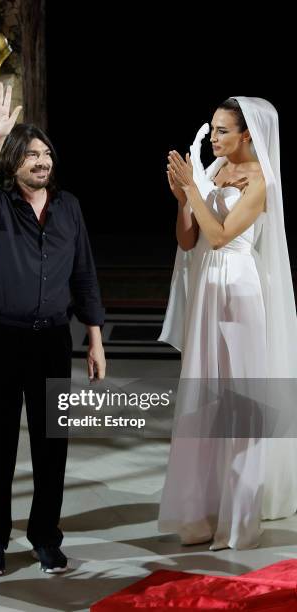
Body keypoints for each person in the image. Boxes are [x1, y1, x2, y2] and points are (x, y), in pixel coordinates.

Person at [0, 82, 106, 575]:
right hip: (2, 337)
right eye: (29, 154)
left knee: (52, 444)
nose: (41, 161)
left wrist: (93, 338)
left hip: (51, 339)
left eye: (45, 153)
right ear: (13, 163)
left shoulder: (69, 208)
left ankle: (46, 536)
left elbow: (84, 273)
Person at [158, 97, 297, 550]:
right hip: (207, 290)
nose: (214, 138)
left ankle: (238, 522)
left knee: (239, 402)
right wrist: (183, 199)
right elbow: (190, 238)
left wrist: (192, 190)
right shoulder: (215, 172)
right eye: (213, 129)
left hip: (239, 289)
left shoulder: (260, 180)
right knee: (204, 396)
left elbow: (220, 237)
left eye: (222, 130)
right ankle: (201, 513)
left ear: (247, 135)